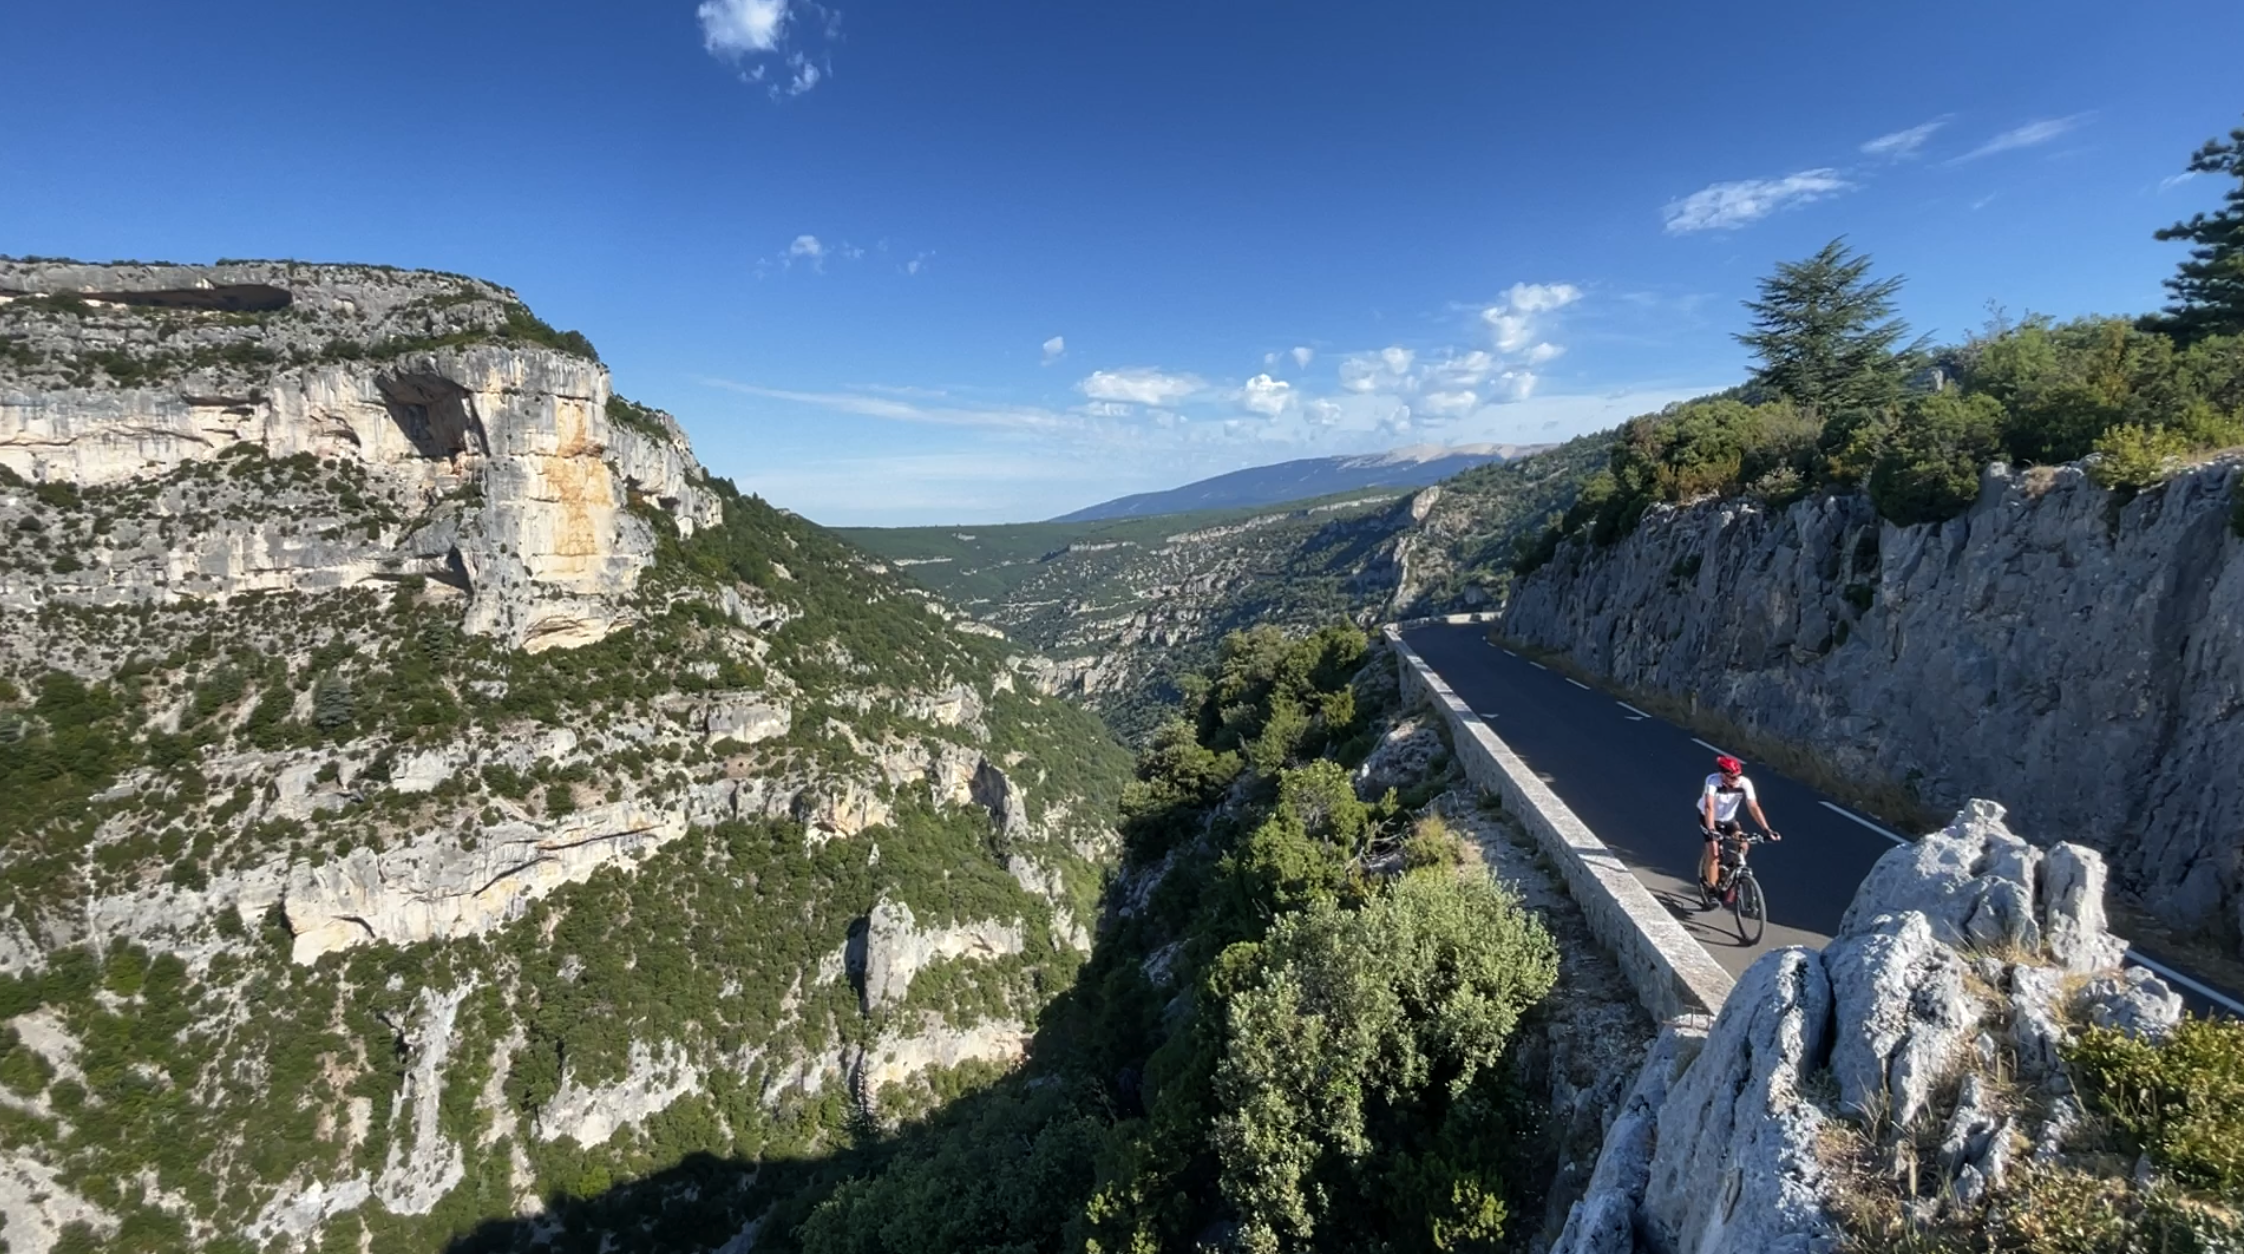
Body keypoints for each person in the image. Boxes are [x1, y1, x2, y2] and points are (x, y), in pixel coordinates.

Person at [1700, 754, 1778, 903]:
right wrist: (1711, 829)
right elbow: (1709, 806)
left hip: (1729, 819)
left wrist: (1767, 829)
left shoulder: (1745, 783)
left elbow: (1753, 806)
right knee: (1714, 851)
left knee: (1744, 845)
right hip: (1709, 818)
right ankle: (1711, 890)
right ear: (1722, 775)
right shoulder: (1712, 781)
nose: (1736, 780)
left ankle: (1728, 871)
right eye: (1731, 777)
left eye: (1737, 776)